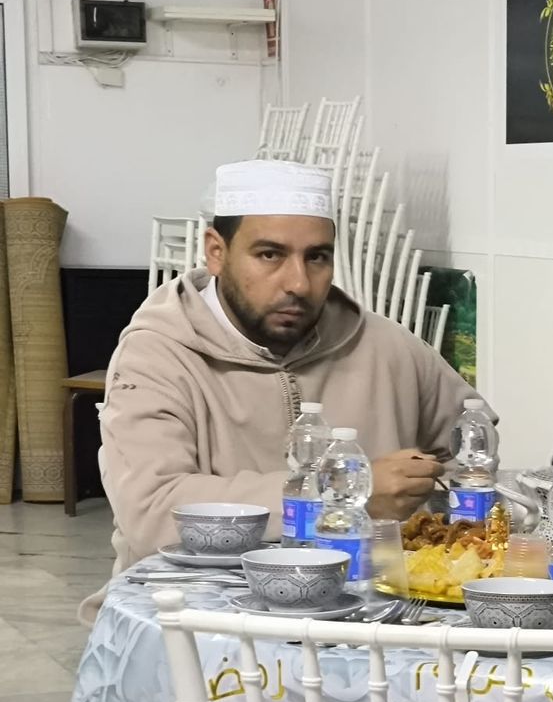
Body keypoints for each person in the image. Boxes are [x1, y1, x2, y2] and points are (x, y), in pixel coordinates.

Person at [96, 159, 481, 578]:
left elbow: (473, 455)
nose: (298, 283)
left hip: (367, 605)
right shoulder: (157, 356)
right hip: (189, 606)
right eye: (270, 255)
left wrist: (428, 516)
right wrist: (344, 493)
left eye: (317, 257)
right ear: (216, 252)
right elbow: (152, 512)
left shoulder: (388, 347)